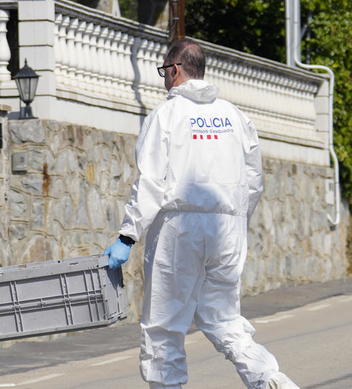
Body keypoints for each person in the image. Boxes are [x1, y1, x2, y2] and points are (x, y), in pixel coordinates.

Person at [105, 38, 299, 389]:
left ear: (175, 70)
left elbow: (151, 181)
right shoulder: (236, 117)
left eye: (164, 71)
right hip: (228, 226)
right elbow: (254, 181)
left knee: (165, 326)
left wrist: (127, 236)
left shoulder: (167, 115)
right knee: (224, 318)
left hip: (180, 230)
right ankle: (270, 379)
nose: (164, 78)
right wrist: (237, 221)